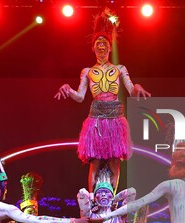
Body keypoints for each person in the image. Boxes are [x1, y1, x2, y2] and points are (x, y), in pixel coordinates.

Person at [54, 8, 151, 192]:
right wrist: (68, 89)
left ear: (109, 47)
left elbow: (130, 90)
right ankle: (91, 201)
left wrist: (137, 87)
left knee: (115, 161)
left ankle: (112, 201)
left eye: (104, 42)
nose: (101, 45)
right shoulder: (87, 71)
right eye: (98, 42)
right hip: (96, 119)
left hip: (115, 118)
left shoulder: (120, 69)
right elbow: (80, 96)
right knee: (95, 161)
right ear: (93, 47)